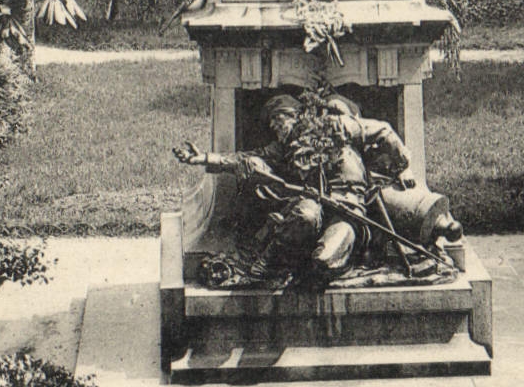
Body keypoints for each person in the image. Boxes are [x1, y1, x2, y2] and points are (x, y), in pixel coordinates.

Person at [174, 90, 418, 282]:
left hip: (347, 211)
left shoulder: (336, 126)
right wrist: (204, 158)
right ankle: (269, 259)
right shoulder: (284, 147)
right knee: (304, 214)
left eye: (277, 118)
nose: (273, 126)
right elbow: (245, 157)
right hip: (316, 206)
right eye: (271, 122)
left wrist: (403, 166)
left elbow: (383, 131)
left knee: (323, 260)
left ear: (294, 114)